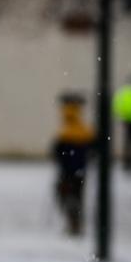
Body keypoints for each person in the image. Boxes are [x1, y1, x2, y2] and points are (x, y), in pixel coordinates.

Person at [52, 93, 95, 236]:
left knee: (67, 194)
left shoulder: (67, 127)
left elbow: (58, 148)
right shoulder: (82, 128)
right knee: (77, 195)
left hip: (67, 168)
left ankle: (72, 222)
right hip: (80, 167)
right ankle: (76, 222)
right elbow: (92, 145)